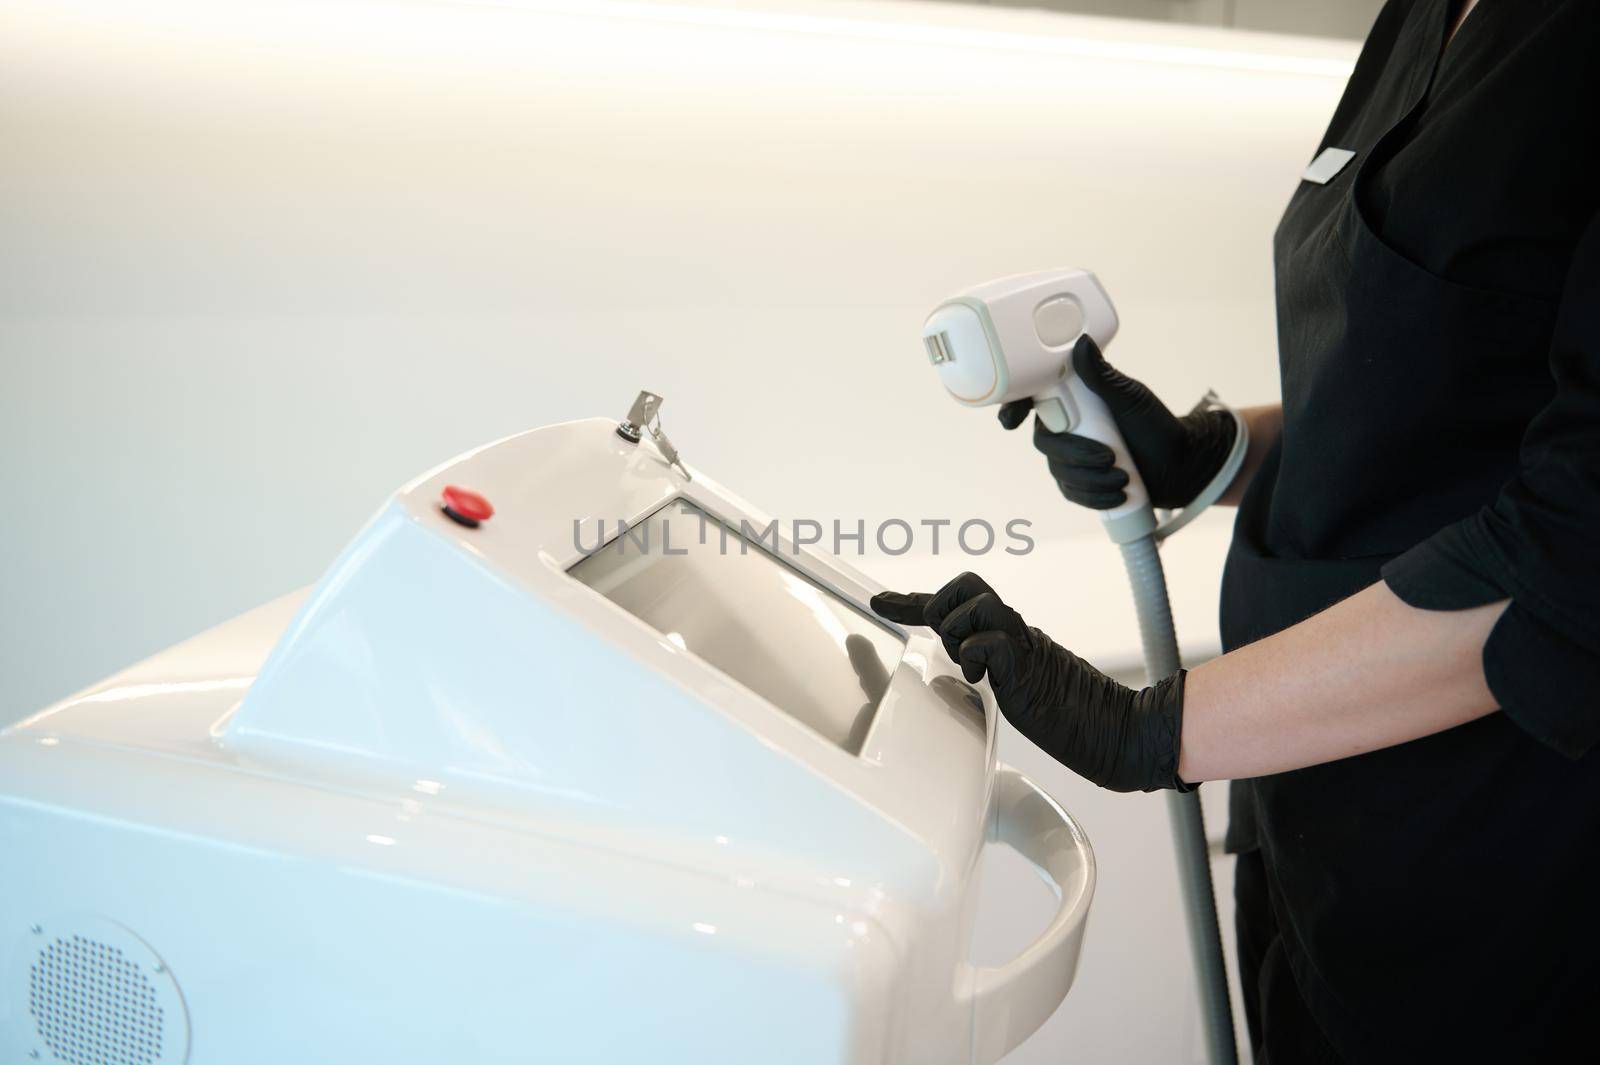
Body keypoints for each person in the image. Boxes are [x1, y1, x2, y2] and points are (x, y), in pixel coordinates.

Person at [872, 1, 1599, 1061]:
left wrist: (1148, 730)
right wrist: (1207, 450)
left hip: (1487, 853)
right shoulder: (1425, 16)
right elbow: (1432, 392)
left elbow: (1571, 552)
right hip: (1307, 795)